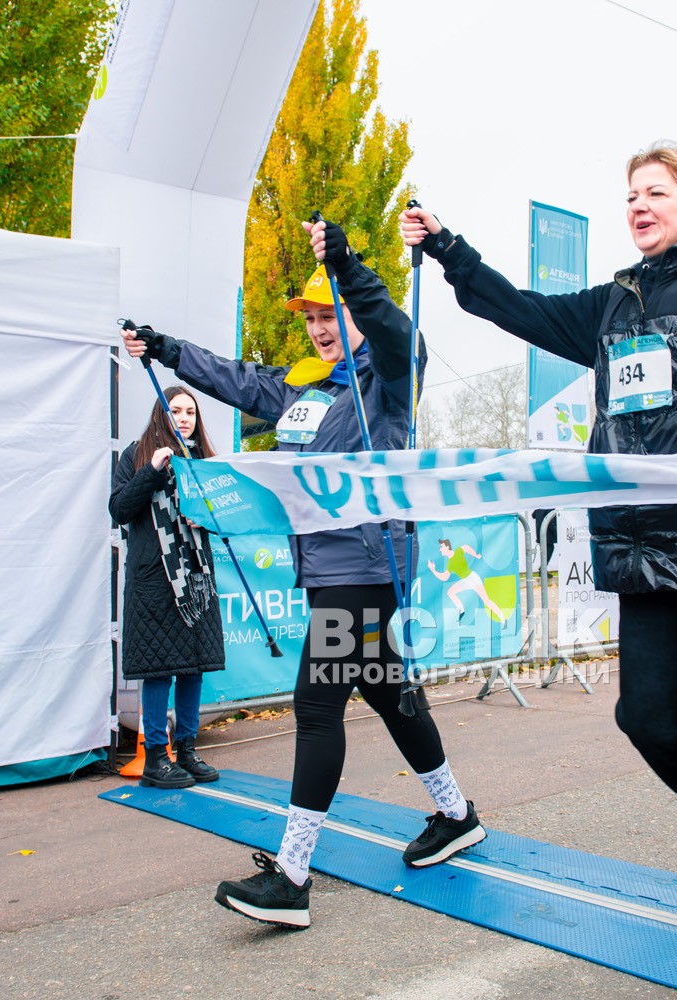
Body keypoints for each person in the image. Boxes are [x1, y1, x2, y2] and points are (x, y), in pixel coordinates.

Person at [402, 132, 677, 999]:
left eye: (658, 191)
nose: (639, 204)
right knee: (645, 720)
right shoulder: (614, 303)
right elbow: (511, 306)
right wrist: (447, 248)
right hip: (644, 546)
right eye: (631, 193)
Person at [120, 219, 485, 931]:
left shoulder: (388, 376)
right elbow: (234, 379)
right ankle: (456, 814)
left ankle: (292, 874)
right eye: (312, 317)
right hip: (328, 568)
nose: (320, 328)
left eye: (330, 314)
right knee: (384, 693)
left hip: (370, 564)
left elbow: (392, 325)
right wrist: (165, 349)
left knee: (316, 708)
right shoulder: (304, 390)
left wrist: (347, 267)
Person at [109, 386, 225, 790]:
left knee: (193, 668)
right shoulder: (136, 455)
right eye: (175, 410)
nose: (184, 417)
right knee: (159, 670)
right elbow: (120, 509)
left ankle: (187, 750)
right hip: (154, 580)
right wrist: (152, 471)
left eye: (190, 411)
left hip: (196, 579)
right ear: (161, 413)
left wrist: (206, 518)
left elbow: (224, 514)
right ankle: (157, 757)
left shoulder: (204, 461)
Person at [427, 539, 508, 622]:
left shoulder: (458, 551)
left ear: (447, 547)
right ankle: (461, 611)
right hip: (466, 581)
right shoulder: (450, 563)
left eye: (442, 547)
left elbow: (466, 547)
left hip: (473, 578)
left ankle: (502, 617)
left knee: (486, 600)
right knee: (450, 592)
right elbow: (444, 577)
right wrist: (433, 570)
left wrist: (476, 555)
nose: (440, 549)